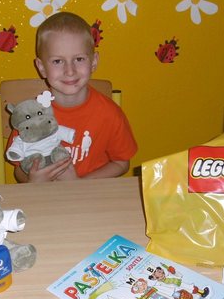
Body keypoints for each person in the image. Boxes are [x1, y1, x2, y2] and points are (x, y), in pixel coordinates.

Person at [8, 12, 138, 182]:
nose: (70, 71)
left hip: (92, 194)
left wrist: (79, 184)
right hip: (46, 196)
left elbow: (121, 163)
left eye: (79, 59)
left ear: (94, 62)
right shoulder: (30, 115)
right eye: (57, 61)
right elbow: (19, 169)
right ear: (42, 67)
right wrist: (33, 181)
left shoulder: (110, 113)